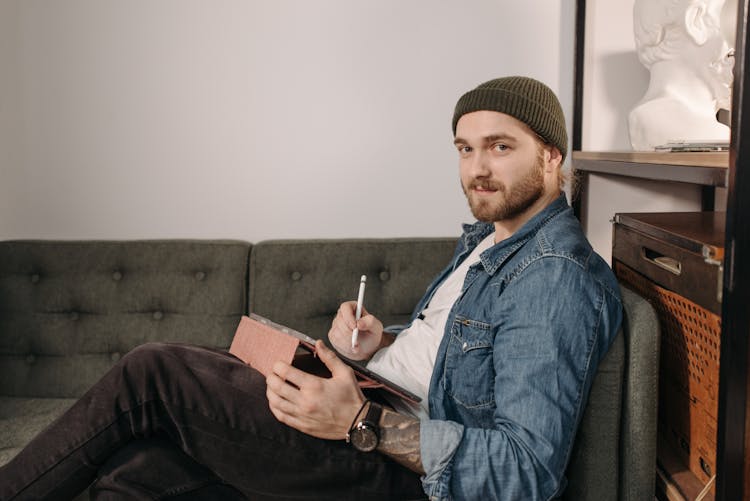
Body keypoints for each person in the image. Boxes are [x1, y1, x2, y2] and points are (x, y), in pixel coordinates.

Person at [0, 76, 622, 501]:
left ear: (550, 157)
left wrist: (358, 419)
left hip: (387, 462)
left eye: (500, 147)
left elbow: (527, 473)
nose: (477, 168)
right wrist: (379, 346)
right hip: (372, 411)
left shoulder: (552, 279)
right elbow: (459, 358)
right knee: (137, 473)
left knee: (152, 371)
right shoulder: (491, 241)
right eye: (465, 148)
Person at [629, 0, 737, 150]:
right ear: (695, 22)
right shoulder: (713, 133)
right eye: (728, 14)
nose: (736, 38)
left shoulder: (644, 114)